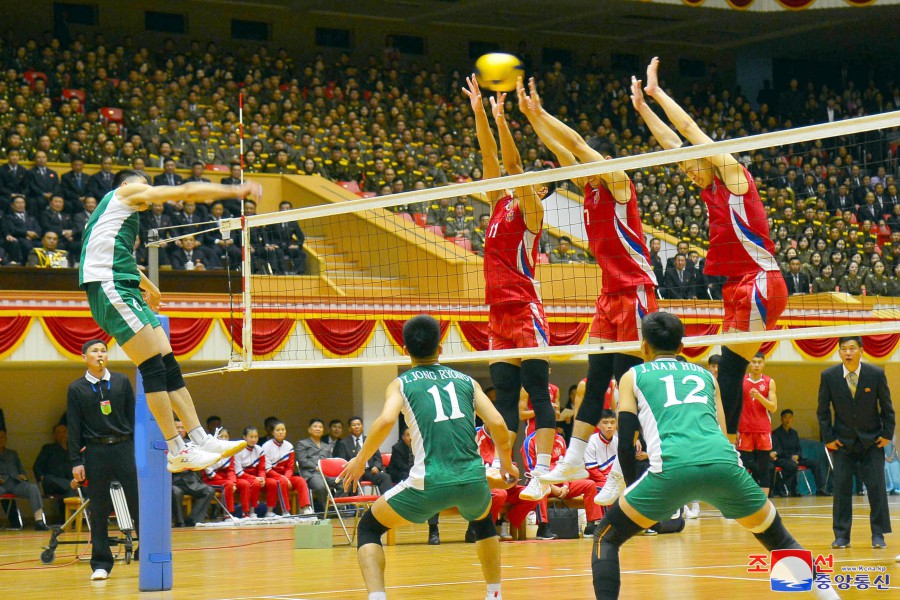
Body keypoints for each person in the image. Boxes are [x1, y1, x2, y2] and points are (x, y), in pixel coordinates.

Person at [589, 312, 838, 600]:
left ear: (644, 346)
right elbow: (722, 432)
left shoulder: (633, 375)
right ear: (682, 347)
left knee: (606, 537)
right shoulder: (707, 376)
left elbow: (626, 441)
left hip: (671, 471)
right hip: (724, 466)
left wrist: (632, 488)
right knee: (778, 538)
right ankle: (830, 595)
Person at [630, 58, 787, 440]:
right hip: (736, 286)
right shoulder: (708, 186)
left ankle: (726, 444)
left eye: (690, 165)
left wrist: (656, 92)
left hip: (761, 281)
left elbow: (687, 130)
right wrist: (641, 110)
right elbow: (672, 144)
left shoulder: (734, 176)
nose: (685, 170)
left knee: (731, 368)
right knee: (726, 369)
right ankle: (725, 441)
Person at [516, 78, 658, 500]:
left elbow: (575, 145)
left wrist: (540, 113)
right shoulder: (589, 189)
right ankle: (576, 453)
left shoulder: (616, 182)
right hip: (609, 294)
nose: (578, 166)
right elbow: (564, 155)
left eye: (587, 160)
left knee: (626, 381)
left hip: (635, 290)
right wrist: (530, 119)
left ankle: (621, 468)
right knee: (595, 378)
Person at [78, 169, 255, 472]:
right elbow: (184, 191)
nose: (147, 192)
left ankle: (200, 437)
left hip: (123, 285)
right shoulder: (124, 194)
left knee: (167, 362)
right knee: (152, 367)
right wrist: (233, 191)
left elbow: (122, 260)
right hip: (110, 288)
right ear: (126, 185)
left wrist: (151, 287)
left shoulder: (116, 218)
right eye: (143, 186)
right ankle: (177, 449)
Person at [339, 314, 517, 600]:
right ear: (441, 348)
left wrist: (360, 460)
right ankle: (494, 594)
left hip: (428, 483)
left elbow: (385, 421)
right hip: (473, 482)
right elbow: (497, 423)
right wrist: (506, 465)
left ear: (405, 350)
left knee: (369, 527)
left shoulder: (401, 383)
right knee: (483, 521)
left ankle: (377, 597)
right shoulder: (467, 382)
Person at [463, 76, 556, 503]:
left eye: (540, 177)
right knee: (503, 396)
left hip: (525, 308)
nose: (529, 179)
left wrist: (506, 124)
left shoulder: (533, 209)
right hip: (497, 311)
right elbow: (489, 157)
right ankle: (505, 465)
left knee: (537, 392)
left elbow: (515, 169)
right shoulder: (502, 202)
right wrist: (484, 112)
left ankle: (543, 470)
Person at [66, 339, 140, 580]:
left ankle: (147, 551)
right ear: (84, 357)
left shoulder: (121, 381)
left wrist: (138, 450)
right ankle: (101, 563)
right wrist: (76, 460)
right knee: (98, 509)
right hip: (96, 452)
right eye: (95, 351)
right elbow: (74, 427)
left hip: (124, 447)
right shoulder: (76, 389)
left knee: (138, 503)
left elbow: (133, 417)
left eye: (103, 350)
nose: (100, 354)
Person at [817, 336, 894, 549]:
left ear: (861, 350)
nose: (848, 353)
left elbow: (887, 408)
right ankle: (841, 536)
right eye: (843, 349)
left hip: (872, 443)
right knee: (841, 489)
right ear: (839, 352)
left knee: (877, 489)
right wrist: (829, 438)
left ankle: (878, 534)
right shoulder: (829, 376)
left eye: (852, 348)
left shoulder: (876, 374)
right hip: (842, 443)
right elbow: (822, 411)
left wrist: (887, 433)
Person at [386, 427, 441, 544]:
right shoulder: (398, 448)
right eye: (407, 435)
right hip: (405, 475)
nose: (410, 438)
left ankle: (435, 531)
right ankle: (433, 529)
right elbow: (404, 466)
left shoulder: (428, 445)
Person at [738, 353, 777, 495]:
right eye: (753, 362)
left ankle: (764, 501)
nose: (756, 365)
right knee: (743, 464)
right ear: (749, 363)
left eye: (759, 362)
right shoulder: (741, 381)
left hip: (763, 429)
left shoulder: (769, 382)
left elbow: (773, 407)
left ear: (764, 364)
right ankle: (744, 496)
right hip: (745, 428)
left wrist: (760, 397)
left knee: (764, 466)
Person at [261, 421, 314, 516]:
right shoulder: (266, 446)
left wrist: (287, 477)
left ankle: (306, 508)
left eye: (283, 430)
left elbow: (290, 467)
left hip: (286, 476)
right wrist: (284, 478)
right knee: (282, 482)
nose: (281, 432)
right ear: (273, 432)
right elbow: (267, 469)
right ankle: (286, 511)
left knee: (300, 480)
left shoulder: (289, 446)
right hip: (272, 476)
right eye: (278, 430)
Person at [0, 429, 49, 531]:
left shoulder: (12, 453)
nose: (1, 439)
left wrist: (23, 475)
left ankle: (39, 520)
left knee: (33, 488)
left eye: (3, 437)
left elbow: (21, 468)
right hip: (1, 484)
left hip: (15, 482)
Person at [771, 409, 827, 497]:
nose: (787, 420)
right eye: (785, 417)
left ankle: (820, 489)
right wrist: (791, 458)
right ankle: (785, 488)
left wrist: (797, 456)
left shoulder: (794, 433)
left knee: (815, 463)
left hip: (795, 459)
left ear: (792, 419)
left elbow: (798, 448)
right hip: (783, 459)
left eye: (790, 417)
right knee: (792, 466)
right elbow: (778, 450)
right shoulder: (776, 433)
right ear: (781, 419)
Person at [171, 421, 215, 527]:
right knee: (175, 492)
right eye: (178, 428)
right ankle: (179, 522)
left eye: (183, 428)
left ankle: (193, 519)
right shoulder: (168, 445)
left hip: (190, 481)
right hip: (174, 482)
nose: (181, 430)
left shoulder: (192, 445)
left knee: (209, 490)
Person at [334, 417, 393, 493]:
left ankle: (387, 501)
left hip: (369, 470)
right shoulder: (343, 443)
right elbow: (342, 461)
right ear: (349, 428)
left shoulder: (369, 440)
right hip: (355, 471)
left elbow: (377, 457)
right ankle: (353, 504)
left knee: (386, 477)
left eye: (358, 424)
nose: (356, 427)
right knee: (351, 480)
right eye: (354, 425)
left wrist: (376, 466)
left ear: (362, 426)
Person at [201, 428, 244, 518]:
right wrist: (229, 483)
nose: (224, 439)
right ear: (216, 437)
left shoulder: (229, 451)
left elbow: (231, 470)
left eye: (226, 436)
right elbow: (210, 474)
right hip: (210, 480)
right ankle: (227, 515)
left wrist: (233, 482)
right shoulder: (208, 451)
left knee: (244, 484)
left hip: (225, 481)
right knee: (228, 485)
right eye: (221, 436)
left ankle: (247, 513)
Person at [296, 418, 335, 513]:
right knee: (320, 486)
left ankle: (339, 509)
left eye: (320, 427)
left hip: (326, 474)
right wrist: (315, 467)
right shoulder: (302, 444)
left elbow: (330, 461)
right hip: (312, 474)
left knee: (343, 482)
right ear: (309, 430)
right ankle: (327, 511)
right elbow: (302, 461)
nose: (318, 429)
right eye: (315, 426)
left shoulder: (327, 446)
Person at [33, 423, 76, 500]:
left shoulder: (73, 449)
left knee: (84, 488)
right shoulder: (48, 448)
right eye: (58, 432)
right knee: (71, 486)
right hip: (52, 481)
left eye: (64, 431)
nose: (62, 434)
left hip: (70, 481)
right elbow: (37, 466)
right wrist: (42, 478)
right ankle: (73, 512)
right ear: (54, 435)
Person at [234, 426, 269, 519]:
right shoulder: (238, 450)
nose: (254, 439)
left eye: (256, 437)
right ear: (244, 437)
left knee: (269, 483)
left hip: (256, 477)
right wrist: (255, 478)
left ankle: (254, 511)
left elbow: (262, 468)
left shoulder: (260, 450)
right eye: (251, 437)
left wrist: (262, 478)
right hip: (241, 477)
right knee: (252, 483)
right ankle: (246, 512)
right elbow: (238, 472)